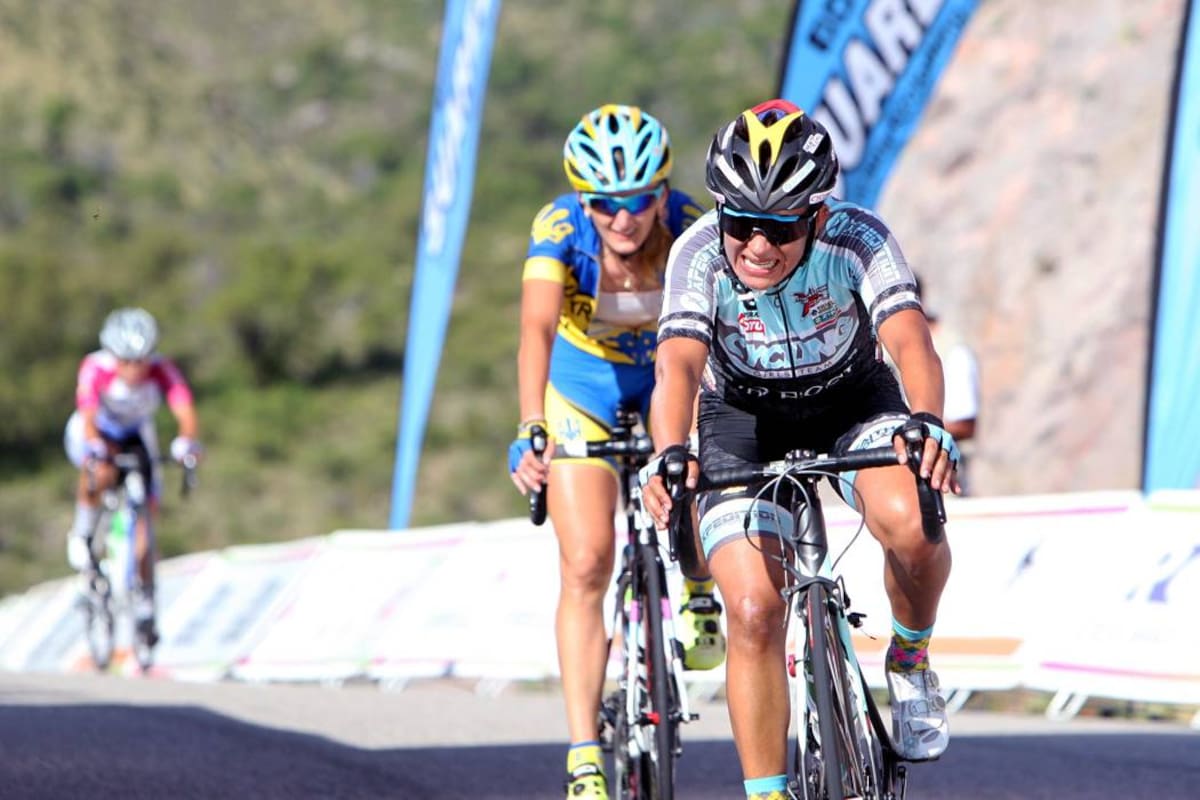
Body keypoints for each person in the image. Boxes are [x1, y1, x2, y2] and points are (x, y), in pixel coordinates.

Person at [640, 100, 959, 800]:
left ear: (815, 216)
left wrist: (928, 422)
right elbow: (679, 367)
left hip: (851, 400)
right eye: (740, 223)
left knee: (912, 522)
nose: (757, 245)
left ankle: (909, 664)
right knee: (754, 608)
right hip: (742, 417)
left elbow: (910, 340)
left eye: (779, 226)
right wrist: (671, 450)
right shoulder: (696, 255)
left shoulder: (859, 238)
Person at [507, 104, 722, 800]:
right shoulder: (559, 228)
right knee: (587, 560)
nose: (622, 219)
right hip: (583, 386)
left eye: (637, 201)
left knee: (683, 465)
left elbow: (717, 333)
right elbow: (537, 330)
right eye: (604, 203)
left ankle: (695, 586)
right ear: (582, 198)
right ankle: (583, 755)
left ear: (662, 192)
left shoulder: (692, 225)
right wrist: (529, 425)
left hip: (663, 371)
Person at [63, 307, 202, 645]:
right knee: (102, 468)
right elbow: (89, 411)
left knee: (146, 515)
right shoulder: (95, 367)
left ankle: (144, 602)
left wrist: (187, 441)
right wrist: (95, 444)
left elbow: (184, 409)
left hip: (137, 433)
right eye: (126, 360)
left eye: (141, 360)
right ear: (113, 356)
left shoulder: (162, 370)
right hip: (96, 431)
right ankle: (82, 534)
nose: (134, 368)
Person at [914, 274, 979, 494]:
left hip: (942, 486)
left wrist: (914, 431)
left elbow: (964, 424)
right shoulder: (879, 351)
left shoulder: (952, 351)